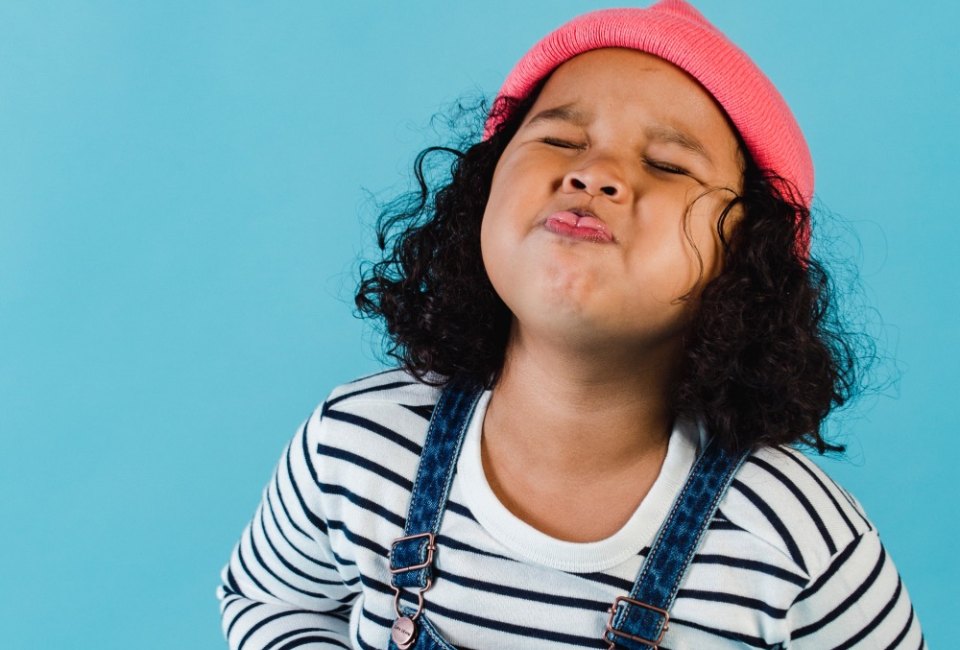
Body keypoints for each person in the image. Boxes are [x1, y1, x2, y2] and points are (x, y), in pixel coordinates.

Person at [217, 1, 925, 648]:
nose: (595, 173)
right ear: (480, 195)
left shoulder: (796, 540)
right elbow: (269, 602)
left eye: (666, 164)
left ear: (749, 260)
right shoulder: (358, 444)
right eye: (559, 140)